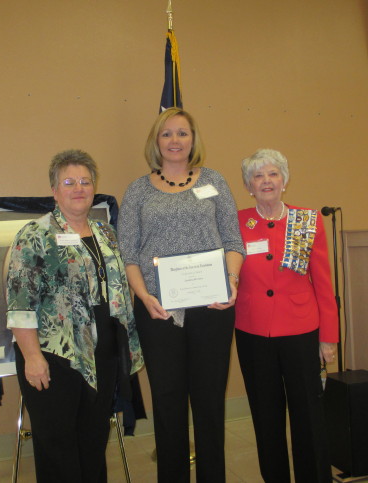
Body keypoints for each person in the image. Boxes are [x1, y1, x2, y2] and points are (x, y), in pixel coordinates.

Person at [118, 107, 244, 482]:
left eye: (182, 133)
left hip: (213, 305)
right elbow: (128, 252)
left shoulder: (216, 181)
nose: (175, 141)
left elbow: (234, 241)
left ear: (194, 139)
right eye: (167, 134)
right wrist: (144, 297)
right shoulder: (138, 190)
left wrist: (232, 281)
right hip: (159, 310)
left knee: (209, 402)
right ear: (156, 142)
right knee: (168, 402)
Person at [6, 149, 143, 482]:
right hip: (55, 358)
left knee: (93, 443)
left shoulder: (106, 234)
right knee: (58, 449)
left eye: (85, 181)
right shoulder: (35, 235)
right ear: (55, 191)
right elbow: (20, 303)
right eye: (69, 182)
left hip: (103, 355)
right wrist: (32, 357)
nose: (79, 188)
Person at [235, 148, 338, 482]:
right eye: (258, 176)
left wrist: (328, 337)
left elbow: (323, 283)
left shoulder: (306, 221)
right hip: (253, 331)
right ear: (249, 185)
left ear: (284, 180)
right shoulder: (237, 221)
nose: (266, 181)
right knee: (266, 417)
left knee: (309, 415)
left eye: (273, 174)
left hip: (300, 330)